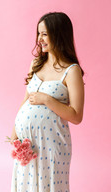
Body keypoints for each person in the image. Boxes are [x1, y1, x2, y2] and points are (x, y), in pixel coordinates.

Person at [10, 12, 85, 192]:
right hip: (27, 144)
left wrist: (47, 99)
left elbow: (76, 116)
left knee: (48, 186)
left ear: (58, 35)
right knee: (25, 184)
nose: (39, 39)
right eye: (38, 33)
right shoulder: (36, 63)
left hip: (52, 145)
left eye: (44, 34)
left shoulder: (71, 70)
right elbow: (26, 100)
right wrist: (14, 133)